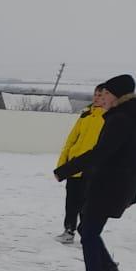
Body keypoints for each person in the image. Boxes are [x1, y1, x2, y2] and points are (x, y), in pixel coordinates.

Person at [55, 75, 136, 271]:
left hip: (109, 185)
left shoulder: (121, 119)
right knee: (88, 229)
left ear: (118, 95)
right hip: (119, 185)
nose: (103, 97)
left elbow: (100, 153)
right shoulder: (131, 116)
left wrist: (65, 170)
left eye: (107, 94)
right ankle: (108, 270)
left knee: (89, 232)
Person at [54, 85, 106, 244]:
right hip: (74, 167)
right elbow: (71, 139)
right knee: (71, 202)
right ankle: (69, 230)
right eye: (95, 94)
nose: (96, 98)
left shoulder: (109, 117)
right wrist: (63, 163)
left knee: (88, 204)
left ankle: (86, 233)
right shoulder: (85, 115)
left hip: (92, 169)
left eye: (100, 95)